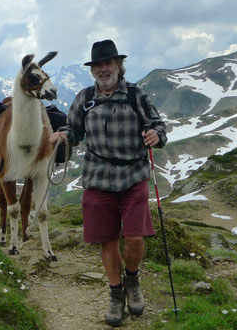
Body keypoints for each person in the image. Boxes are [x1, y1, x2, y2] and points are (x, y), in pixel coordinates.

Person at [50, 39, 167, 327]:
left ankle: (132, 280)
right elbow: (74, 128)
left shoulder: (136, 95)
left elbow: (158, 125)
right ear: (93, 70)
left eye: (108, 63)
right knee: (107, 240)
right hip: (97, 178)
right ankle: (116, 296)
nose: (103, 69)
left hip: (132, 176)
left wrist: (156, 135)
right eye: (98, 65)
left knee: (136, 237)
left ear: (119, 65)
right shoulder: (84, 97)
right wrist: (63, 136)